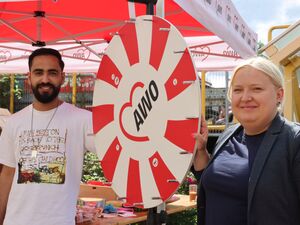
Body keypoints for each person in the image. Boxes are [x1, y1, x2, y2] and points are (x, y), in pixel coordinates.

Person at [192, 57, 300, 225]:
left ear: (279, 95)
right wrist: (201, 151)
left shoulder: (294, 141)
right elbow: (217, 184)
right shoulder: (228, 135)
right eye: (238, 90)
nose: (245, 97)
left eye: (256, 89)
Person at [0, 48, 95, 225]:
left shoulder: (83, 120)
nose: (45, 79)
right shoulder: (13, 122)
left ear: (62, 77)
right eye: (38, 72)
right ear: (29, 78)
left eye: (52, 73)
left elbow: (114, 153)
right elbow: (7, 175)